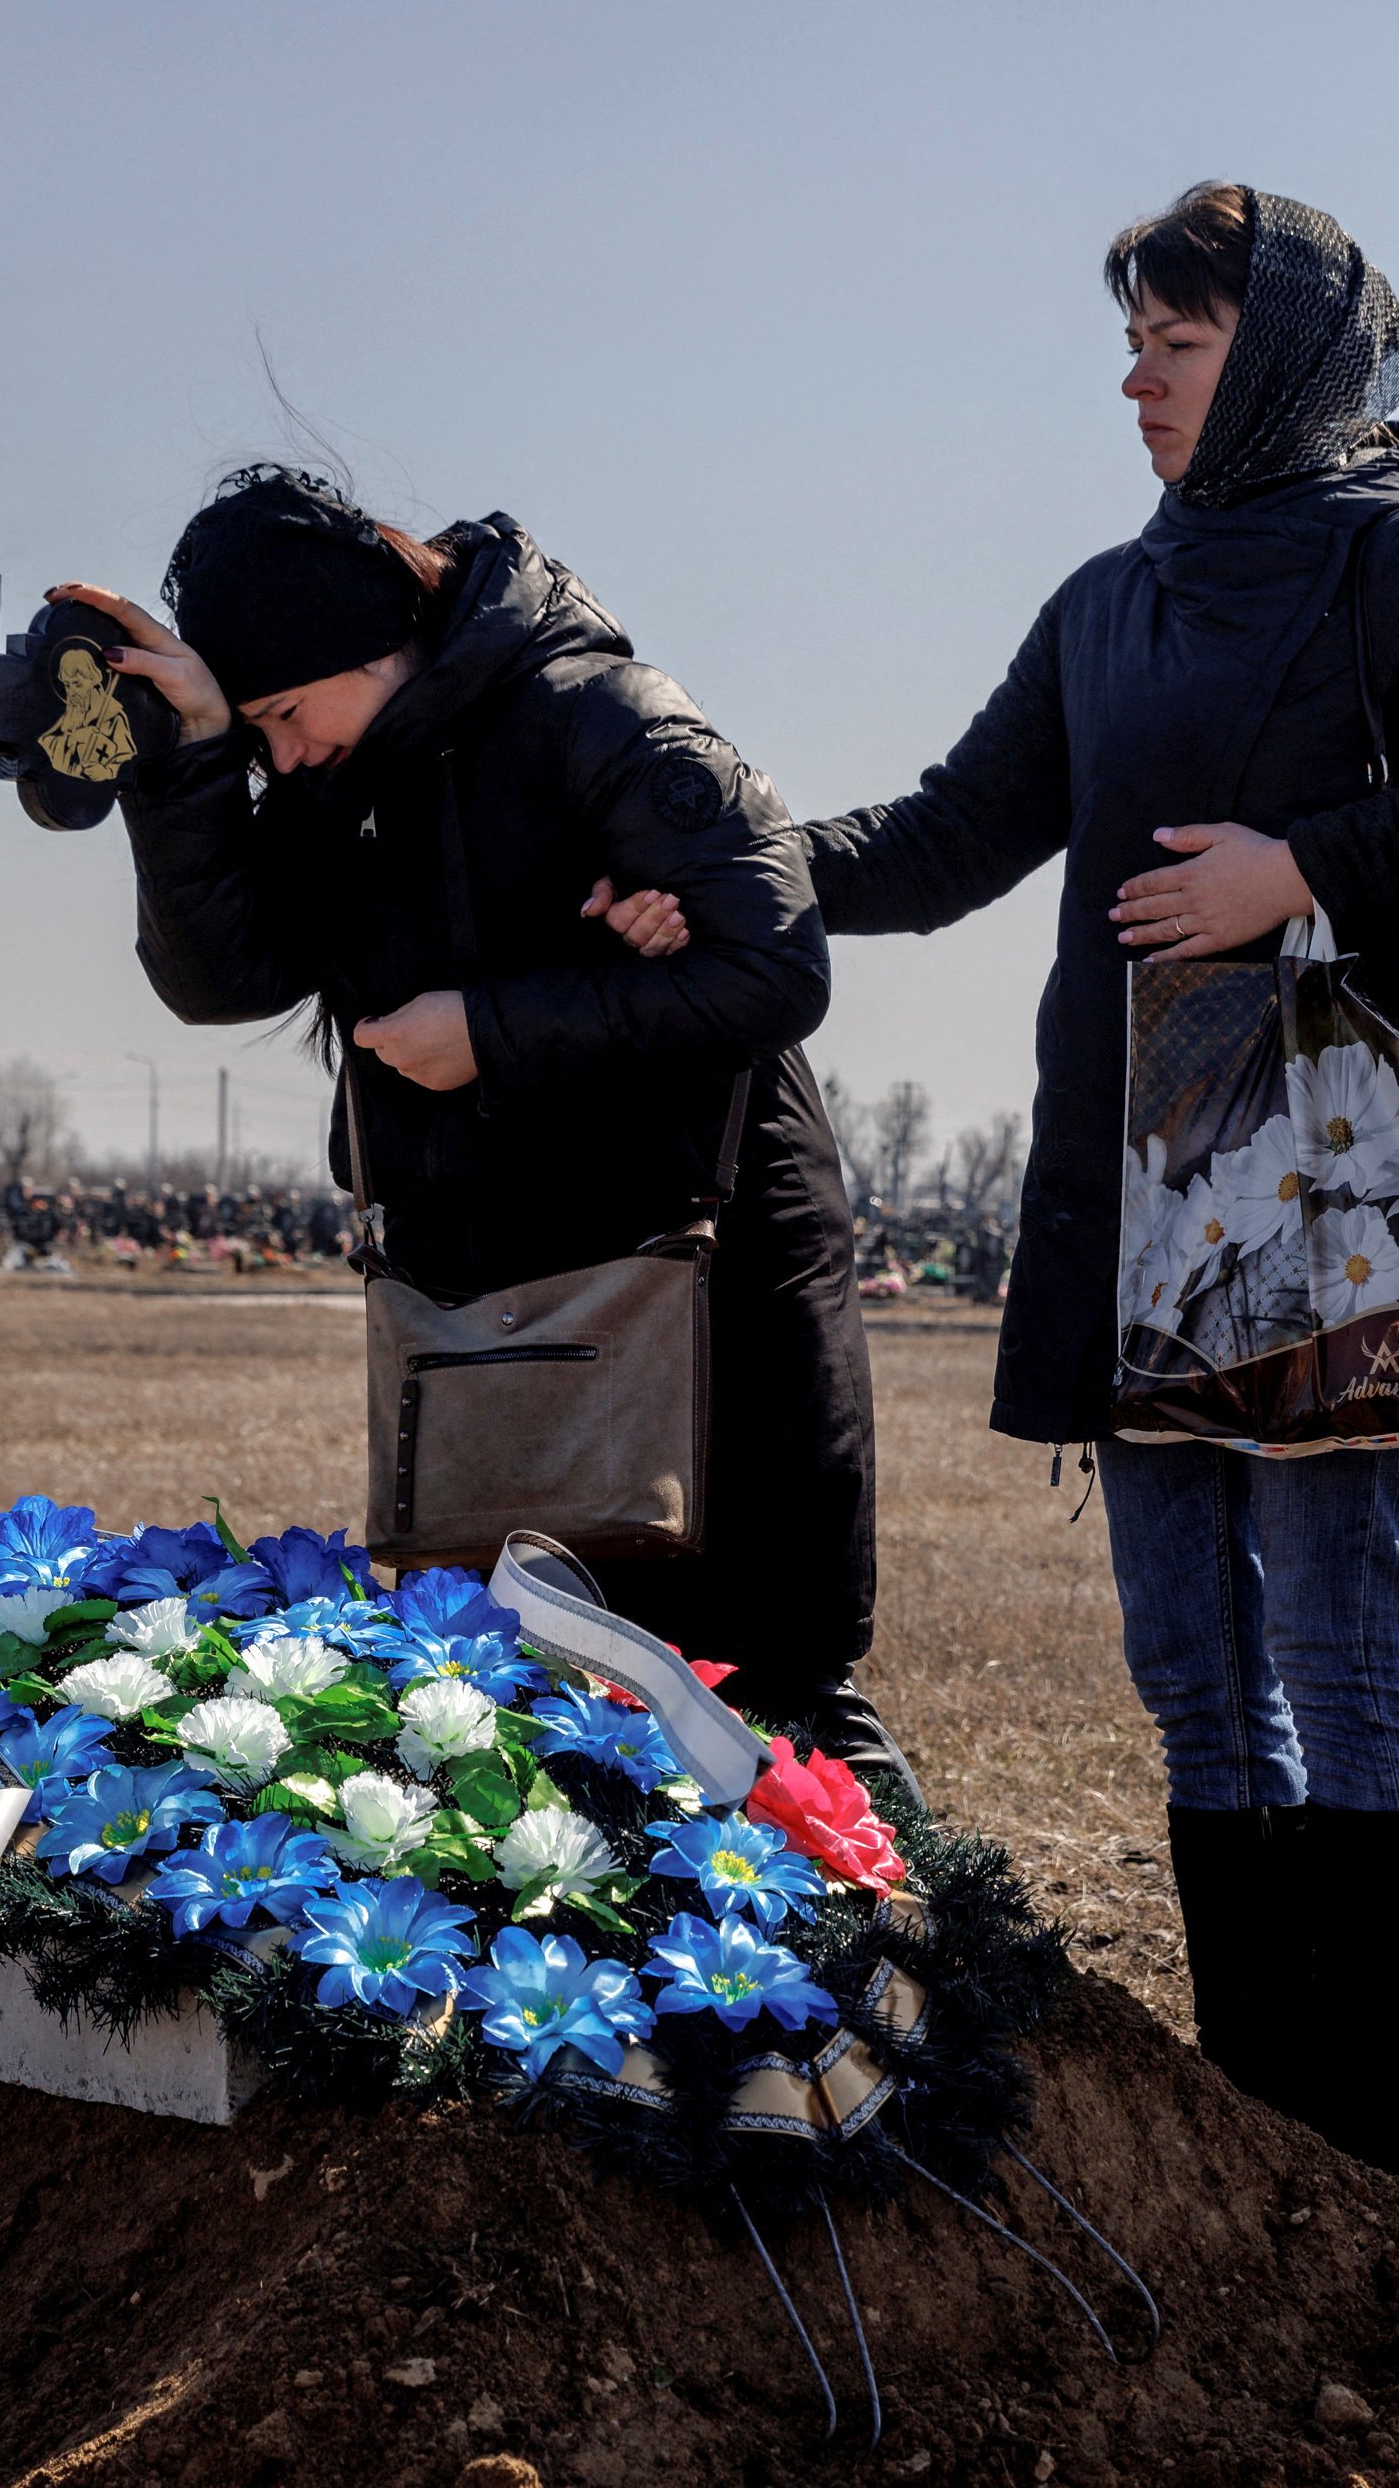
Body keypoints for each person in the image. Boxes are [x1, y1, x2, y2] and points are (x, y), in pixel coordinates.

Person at [688, 184, 1399, 2187]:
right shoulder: (1110, 597)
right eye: (1131, 344)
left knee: (1346, 1659)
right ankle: (1255, 2132)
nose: (1134, 380)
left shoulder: (1396, 553)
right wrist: (715, 857)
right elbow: (946, 836)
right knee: (1194, 1678)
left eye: (1176, 345)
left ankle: (1366, 2152)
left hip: (1329, 1160)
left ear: (1279, 354)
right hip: (1135, 1174)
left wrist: (1303, 864)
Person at [53, 469, 902, 1776]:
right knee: (541, 1752)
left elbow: (777, 965)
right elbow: (220, 972)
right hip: (494, 1329)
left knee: (779, 1722)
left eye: (284, 711)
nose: (285, 751)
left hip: (701, 1305)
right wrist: (194, 763)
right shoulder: (341, 783)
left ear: (361, 641)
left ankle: (917, 1976)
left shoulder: (596, 714)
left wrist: (488, 1030)